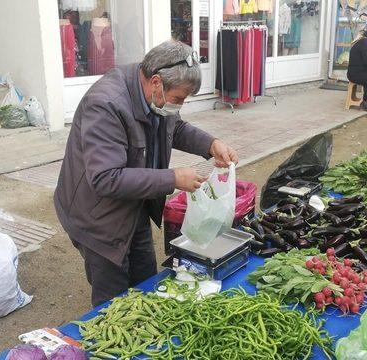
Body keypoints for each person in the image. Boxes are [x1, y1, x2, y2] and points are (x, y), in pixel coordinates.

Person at [54, 40, 239, 307]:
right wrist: (173, 179)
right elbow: (105, 178)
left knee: (145, 284)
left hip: (134, 202)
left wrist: (210, 145)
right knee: (114, 302)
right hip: (97, 218)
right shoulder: (106, 104)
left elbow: (173, 127)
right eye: (178, 99)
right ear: (155, 82)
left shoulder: (154, 96)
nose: (179, 106)